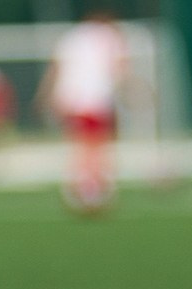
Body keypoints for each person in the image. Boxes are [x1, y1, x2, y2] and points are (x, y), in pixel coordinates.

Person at [39, 8, 128, 214]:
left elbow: (56, 67)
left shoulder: (72, 36)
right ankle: (92, 189)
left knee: (80, 145)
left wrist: (48, 95)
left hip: (70, 99)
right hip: (95, 99)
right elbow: (120, 67)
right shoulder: (109, 36)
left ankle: (80, 188)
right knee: (96, 146)